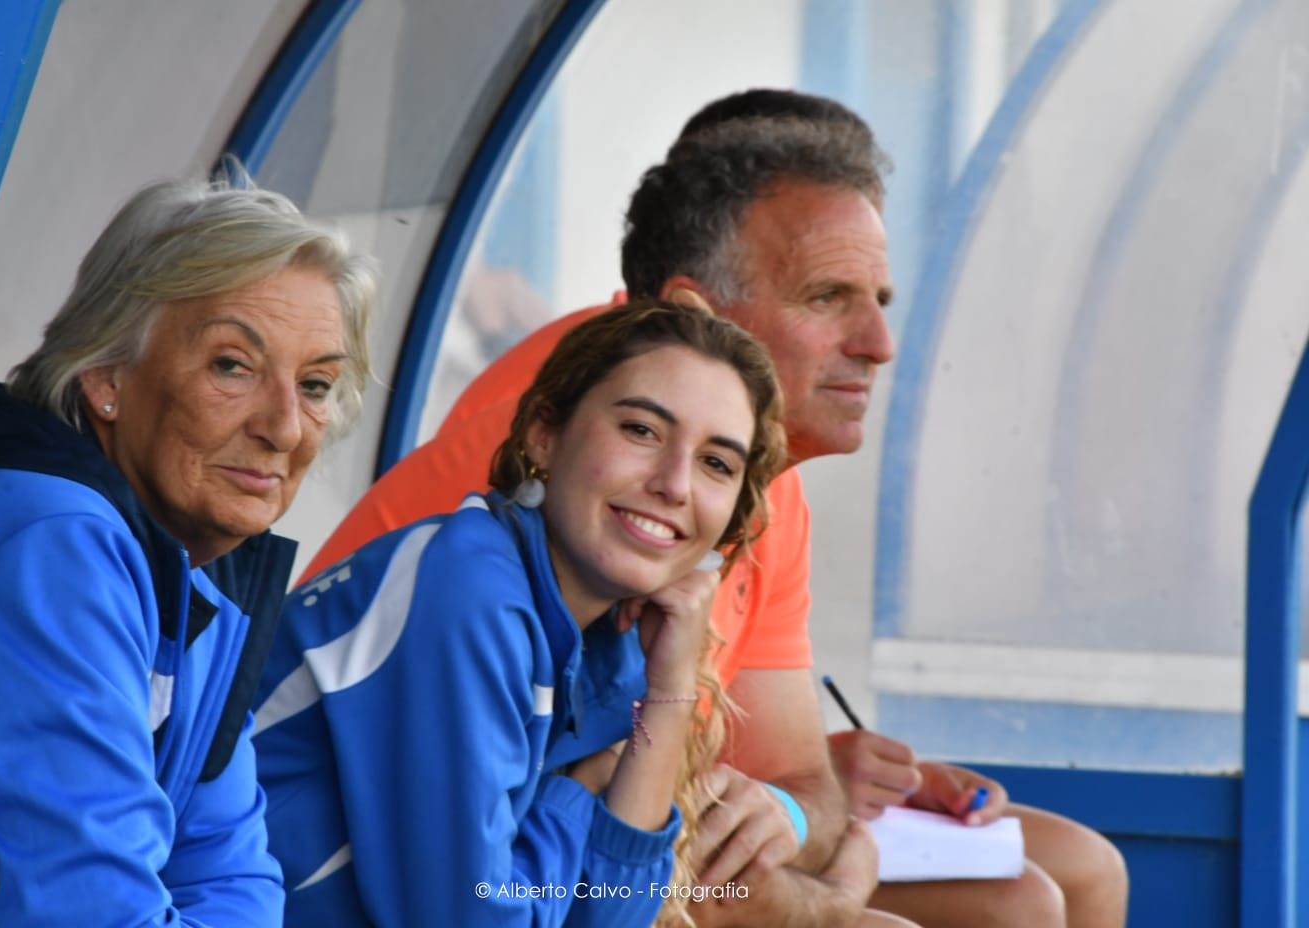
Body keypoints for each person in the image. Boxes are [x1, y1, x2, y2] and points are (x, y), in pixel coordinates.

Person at [304, 91, 1128, 928]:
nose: (879, 345)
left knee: (1063, 880)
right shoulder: (534, 515)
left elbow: (714, 812)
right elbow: (503, 889)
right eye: (826, 297)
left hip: (560, 864)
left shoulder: (750, 477)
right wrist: (825, 893)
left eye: (878, 299)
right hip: (434, 879)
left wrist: (784, 812)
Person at [251, 300, 805, 927]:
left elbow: (607, 915)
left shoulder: (607, 643)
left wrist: (670, 690)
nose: (675, 484)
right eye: (641, 431)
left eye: (716, 464)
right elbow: (469, 920)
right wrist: (581, 788)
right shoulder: (465, 587)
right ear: (545, 432)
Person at [0, 174, 378, 926]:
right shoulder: (52, 542)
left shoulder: (195, 578)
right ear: (107, 375)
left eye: (317, 385)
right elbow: (91, 911)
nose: (285, 427)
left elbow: (235, 875)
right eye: (233, 366)